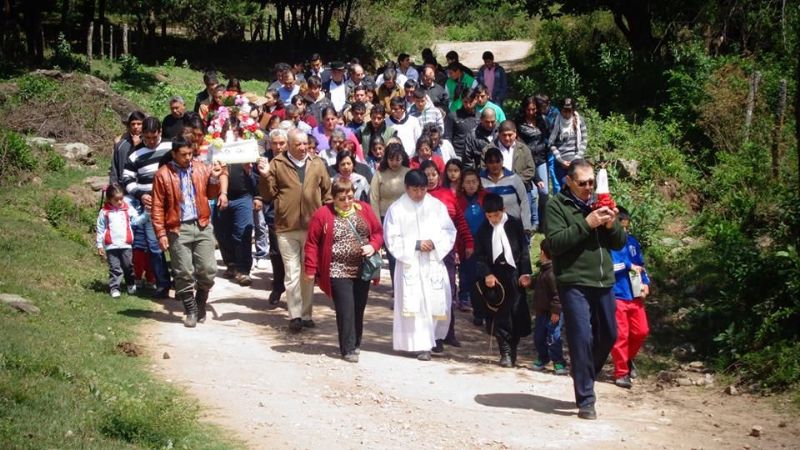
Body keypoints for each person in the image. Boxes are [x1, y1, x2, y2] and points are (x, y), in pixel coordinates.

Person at [545, 158, 626, 420]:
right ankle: (586, 398)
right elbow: (554, 244)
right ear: (569, 181)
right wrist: (587, 223)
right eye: (582, 183)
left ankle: (583, 372)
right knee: (581, 339)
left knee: (609, 335)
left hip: (603, 281)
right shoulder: (557, 205)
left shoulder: (600, 201)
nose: (588, 187)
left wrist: (611, 225)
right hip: (574, 281)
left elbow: (619, 243)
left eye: (591, 182)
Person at [258, 129, 333, 331]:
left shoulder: (317, 163)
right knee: (292, 273)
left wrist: (329, 218)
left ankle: (307, 314)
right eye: (297, 145)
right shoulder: (277, 164)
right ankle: (295, 316)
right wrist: (264, 176)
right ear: (289, 145)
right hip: (286, 227)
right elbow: (268, 194)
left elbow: (327, 193)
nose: (302, 148)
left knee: (308, 273)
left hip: (312, 227)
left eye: (305, 144)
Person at [304, 178, 384, 362]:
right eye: (342, 198)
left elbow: (378, 232)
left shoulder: (364, 209)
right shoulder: (323, 214)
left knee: (359, 307)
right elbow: (312, 243)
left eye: (350, 197)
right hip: (337, 269)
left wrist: (373, 245)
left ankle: (356, 342)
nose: (347, 202)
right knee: (345, 308)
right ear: (333, 198)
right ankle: (347, 348)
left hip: (362, 268)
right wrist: (310, 268)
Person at [383, 170, 457, 360]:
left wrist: (434, 243)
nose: (419, 193)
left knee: (436, 300)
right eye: (415, 189)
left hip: (432, 261)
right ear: (407, 188)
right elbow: (391, 237)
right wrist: (415, 244)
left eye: (423, 189)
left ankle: (435, 338)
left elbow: (448, 230)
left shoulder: (436, 206)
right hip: (411, 264)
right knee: (415, 303)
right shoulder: (397, 209)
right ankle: (419, 343)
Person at [151, 137, 224, 327]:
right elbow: (157, 206)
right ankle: (191, 309)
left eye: (190, 154)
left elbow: (211, 194)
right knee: (183, 271)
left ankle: (201, 302)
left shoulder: (200, 168)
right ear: (174, 154)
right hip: (177, 228)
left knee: (208, 270)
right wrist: (160, 233)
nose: (187, 157)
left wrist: (215, 178)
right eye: (183, 154)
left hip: (202, 224)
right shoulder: (163, 174)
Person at [474, 192, 532, 367]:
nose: (493, 219)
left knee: (516, 313)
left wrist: (525, 273)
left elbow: (523, 251)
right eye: (489, 216)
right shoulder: (483, 230)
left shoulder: (514, 225)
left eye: (496, 215)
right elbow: (480, 256)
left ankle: (513, 348)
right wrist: (487, 274)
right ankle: (504, 351)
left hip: (514, 275)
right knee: (500, 315)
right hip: (496, 277)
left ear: (503, 210)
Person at [420, 160, 473, 350]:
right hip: (425, 254)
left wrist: (468, 242)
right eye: (427, 175)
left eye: (434, 174)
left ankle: (449, 332)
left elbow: (460, 221)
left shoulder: (448, 195)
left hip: (447, 251)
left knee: (448, 290)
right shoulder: (418, 197)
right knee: (430, 294)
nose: (431, 178)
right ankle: (433, 336)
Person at [122, 116, 173, 298]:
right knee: (154, 244)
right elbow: (126, 179)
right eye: (147, 138)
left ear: (160, 132)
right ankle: (162, 284)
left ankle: (182, 281)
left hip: (172, 204)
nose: (151, 141)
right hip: (150, 206)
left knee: (176, 242)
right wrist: (140, 194)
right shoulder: (135, 154)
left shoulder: (170, 147)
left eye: (154, 137)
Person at [610, 206, 651, 389]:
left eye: (627, 227)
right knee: (621, 335)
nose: (625, 231)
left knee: (641, 331)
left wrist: (646, 283)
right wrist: (627, 266)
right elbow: (609, 268)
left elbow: (641, 265)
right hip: (617, 294)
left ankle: (627, 359)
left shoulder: (633, 242)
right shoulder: (607, 244)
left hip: (635, 295)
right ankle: (621, 373)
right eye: (622, 227)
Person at [369, 143, 410, 291]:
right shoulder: (379, 174)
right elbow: (374, 198)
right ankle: (397, 287)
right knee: (393, 255)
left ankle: (407, 286)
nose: (395, 163)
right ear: (387, 159)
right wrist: (376, 222)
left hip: (406, 220)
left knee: (405, 254)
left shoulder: (408, 173)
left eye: (398, 159)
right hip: (385, 218)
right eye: (391, 159)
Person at [96, 184, 145, 298]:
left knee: (128, 266)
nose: (119, 202)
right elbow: (100, 228)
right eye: (116, 200)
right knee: (115, 267)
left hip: (126, 243)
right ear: (109, 199)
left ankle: (130, 284)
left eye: (121, 199)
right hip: (111, 245)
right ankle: (114, 288)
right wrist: (99, 245)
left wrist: (146, 214)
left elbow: (136, 219)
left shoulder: (127, 208)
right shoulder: (104, 212)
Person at [531, 239, 568, 375]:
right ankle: (543, 357)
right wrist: (530, 282)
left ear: (543, 253)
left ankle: (558, 361)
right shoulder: (544, 270)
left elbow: (557, 295)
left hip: (552, 313)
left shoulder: (552, 273)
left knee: (554, 337)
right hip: (542, 311)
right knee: (539, 336)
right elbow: (538, 285)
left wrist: (556, 311)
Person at [479, 147, 532, 232]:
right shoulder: (480, 180)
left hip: (513, 226)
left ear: (502, 161)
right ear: (486, 164)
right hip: (489, 227)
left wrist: (526, 226)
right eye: (491, 162)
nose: (495, 165)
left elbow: (524, 202)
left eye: (497, 161)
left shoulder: (514, 178)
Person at [458, 168, 486, 322]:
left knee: (483, 277)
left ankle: (485, 310)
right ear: (462, 184)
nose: (471, 185)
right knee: (469, 275)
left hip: (484, 244)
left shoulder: (485, 197)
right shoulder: (458, 200)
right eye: (467, 182)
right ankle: (475, 310)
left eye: (474, 182)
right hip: (465, 243)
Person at [516, 96, 549, 228]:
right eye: (528, 109)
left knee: (544, 192)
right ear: (524, 109)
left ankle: (544, 219)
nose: (531, 112)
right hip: (527, 160)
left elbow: (547, 136)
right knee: (533, 194)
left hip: (541, 158)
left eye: (533, 109)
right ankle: (534, 221)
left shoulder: (542, 120)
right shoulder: (519, 122)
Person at [549, 98, 587, 190]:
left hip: (576, 162)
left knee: (578, 188)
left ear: (573, 110)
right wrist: (560, 160)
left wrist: (576, 158)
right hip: (561, 164)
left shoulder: (579, 121)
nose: (566, 114)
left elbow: (584, 140)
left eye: (569, 111)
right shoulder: (555, 122)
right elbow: (551, 143)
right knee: (565, 187)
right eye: (564, 111)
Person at [109, 111, 145, 186]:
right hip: (124, 186)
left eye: (139, 124)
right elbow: (114, 169)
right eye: (133, 124)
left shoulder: (150, 143)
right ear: (129, 126)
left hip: (143, 186)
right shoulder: (121, 144)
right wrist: (114, 186)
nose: (136, 127)